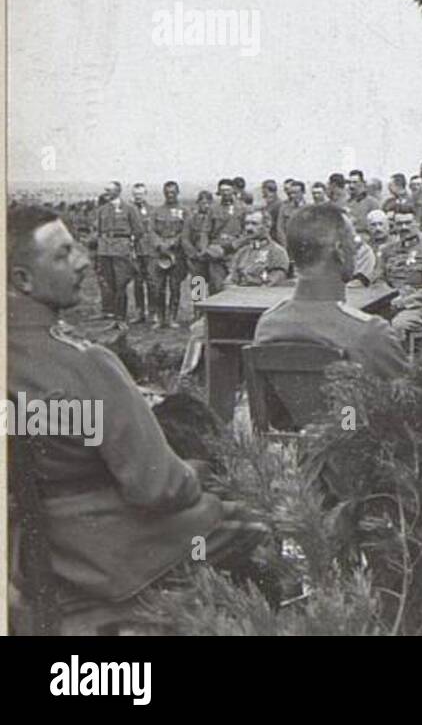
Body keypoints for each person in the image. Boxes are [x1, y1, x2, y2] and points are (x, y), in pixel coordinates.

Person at [6, 205, 266, 610]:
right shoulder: (85, 363)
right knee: (258, 525)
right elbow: (159, 487)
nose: (83, 261)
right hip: (105, 554)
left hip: (24, 547)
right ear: (22, 279)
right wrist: (199, 471)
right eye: (62, 254)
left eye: (76, 248)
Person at [254, 204, 407, 379]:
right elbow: (408, 399)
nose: (356, 250)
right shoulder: (369, 332)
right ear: (340, 251)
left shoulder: (268, 325)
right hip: (348, 408)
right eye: (353, 242)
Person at [377, 209, 422, 338]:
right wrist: (386, 298)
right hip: (388, 304)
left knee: (397, 325)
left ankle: (399, 358)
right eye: (399, 224)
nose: (404, 227)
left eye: (408, 223)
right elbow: (379, 280)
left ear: (417, 224)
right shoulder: (387, 251)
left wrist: (405, 301)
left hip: (416, 307)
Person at [91, 181, 143, 321]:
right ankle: (111, 313)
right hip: (105, 250)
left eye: (109, 190)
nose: (106, 193)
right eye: (106, 190)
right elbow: (98, 230)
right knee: (108, 283)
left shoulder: (129, 208)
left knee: (121, 283)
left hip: (121, 250)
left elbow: (138, 230)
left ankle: (120, 315)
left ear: (117, 192)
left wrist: (128, 243)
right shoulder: (102, 210)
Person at [148, 181, 188, 328]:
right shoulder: (157, 211)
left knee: (174, 286)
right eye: (167, 192)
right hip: (159, 253)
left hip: (176, 254)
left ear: (177, 193)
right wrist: (160, 244)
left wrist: (173, 243)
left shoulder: (184, 211)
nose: (170, 195)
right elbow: (150, 230)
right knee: (158, 287)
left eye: (173, 192)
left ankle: (172, 317)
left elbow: (186, 230)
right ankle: (160, 318)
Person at [228, 210, 290, 287]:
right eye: (247, 223)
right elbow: (230, 280)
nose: (249, 228)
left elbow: (272, 282)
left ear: (267, 227)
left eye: (254, 224)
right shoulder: (242, 252)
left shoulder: (277, 252)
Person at [207, 179, 247, 293]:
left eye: (228, 190)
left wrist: (236, 244)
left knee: (234, 283)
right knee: (214, 284)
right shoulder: (212, 209)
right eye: (222, 190)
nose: (225, 193)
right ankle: (201, 308)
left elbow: (247, 231)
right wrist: (205, 249)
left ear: (233, 190)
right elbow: (205, 231)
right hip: (214, 252)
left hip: (234, 251)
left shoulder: (242, 208)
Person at [128, 183, 155, 324]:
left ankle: (152, 312)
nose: (138, 197)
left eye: (141, 194)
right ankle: (140, 313)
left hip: (149, 250)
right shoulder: (128, 210)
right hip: (134, 251)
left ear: (146, 194)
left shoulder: (152, 210)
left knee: (152, 282)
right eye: (136, 194)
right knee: (138, 283)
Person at [181, 190, 215, 297]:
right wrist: (194, 254)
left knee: (215, 285)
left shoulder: (215, 219)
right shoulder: (191, 219)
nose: (206, 206)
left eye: (208, 203)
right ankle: (198, 311)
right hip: (197, 259)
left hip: (212, 257)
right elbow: (185, 238)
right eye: (203, 203)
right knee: (197, 286)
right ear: (198, 203)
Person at [276, 179, 306, 247]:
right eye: (291, 193)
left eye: (296, 193)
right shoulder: (284, 208)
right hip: (288, 243)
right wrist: (285, 245)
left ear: (303, 192)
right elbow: (280, 228)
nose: (293, 196)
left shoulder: (309, 208)